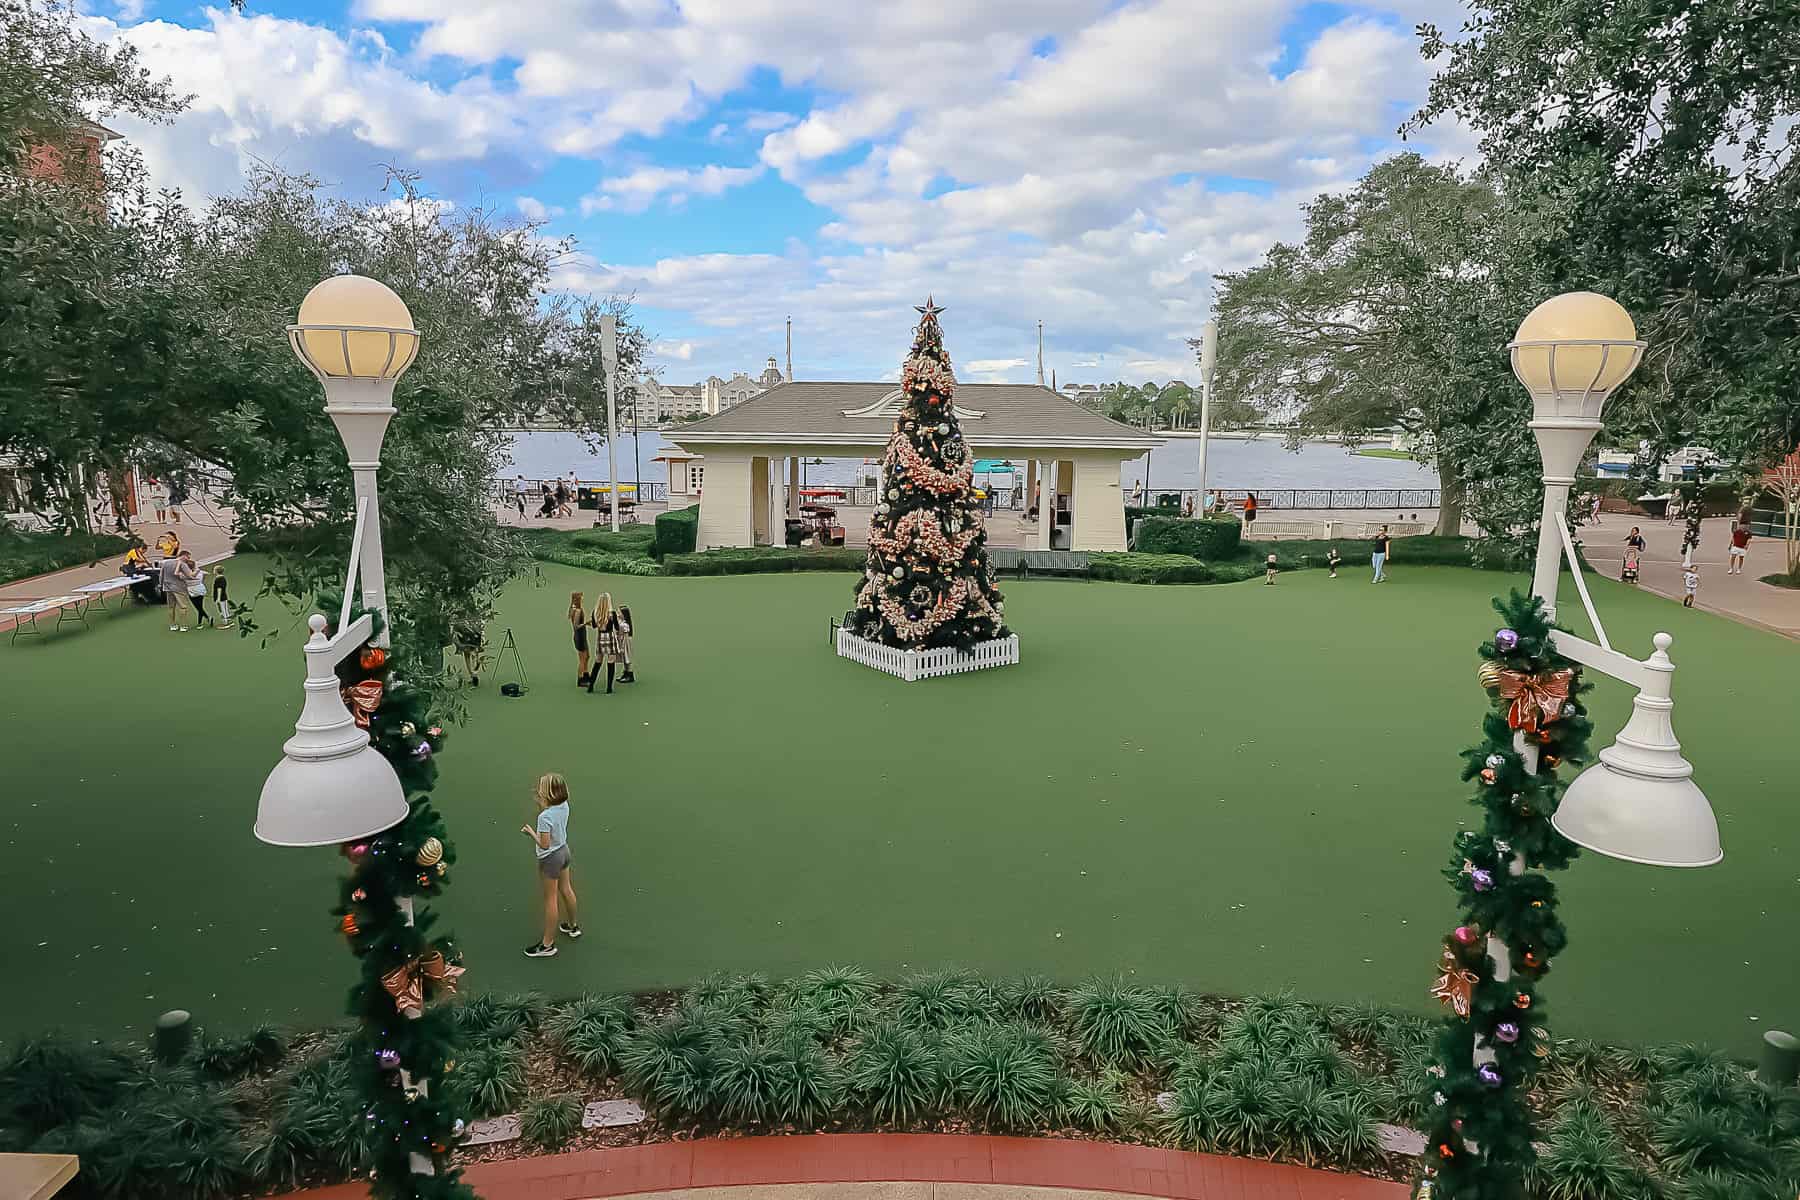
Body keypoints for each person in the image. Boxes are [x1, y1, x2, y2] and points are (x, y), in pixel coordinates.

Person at [520, 772, 580, 958]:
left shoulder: (544, 818)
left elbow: (544, 844)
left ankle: (547, 944)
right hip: (564, 852)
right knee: (567, 889)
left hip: (550, 858)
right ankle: (573, 926)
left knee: (550, 900)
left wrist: (530, 831)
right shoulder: (564, 806)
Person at [586, 593, 624, 694]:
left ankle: (591, 685)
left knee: (598, 662)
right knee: (611, 662)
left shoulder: (595, 612)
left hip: (600, 638)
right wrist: (619, 621)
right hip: (610, 637)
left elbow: (594, 625)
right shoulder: (612, 614)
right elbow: (616, 627)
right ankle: (609, 688)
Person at [160, 551, 189, 631]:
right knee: (183, 606)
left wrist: (160, 584)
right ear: (183, 556)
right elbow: (188, 575)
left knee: (171, 607)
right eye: (188, 557)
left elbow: (161, 575)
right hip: (178, 588)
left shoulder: (165, 563)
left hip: (167, 587)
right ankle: (183, 626)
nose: (188, 559)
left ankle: (172, 625)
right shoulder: (182, 564)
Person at [179, 551, 209, 627]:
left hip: (192, 591)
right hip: (201, 589)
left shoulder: (184, 575)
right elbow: (202, 573)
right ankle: (200, 622)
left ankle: (208, 617)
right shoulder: (199, 573)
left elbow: (178, 575)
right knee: (200, 606)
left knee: (198, 608)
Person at [569, 591, 590, 686]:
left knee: (587, 656)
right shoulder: (578, 611)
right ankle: (580, 679)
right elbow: (576, 626)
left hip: (581, 635)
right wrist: (586, 623)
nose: (582, 599)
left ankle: (586, 674)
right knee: (583, 658)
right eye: (581, 598)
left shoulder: (573, 609)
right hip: (580, 636)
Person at [615, 604, 636, 684]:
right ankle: (626, 673)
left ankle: (629, 674)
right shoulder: (620, 622)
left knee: (627, 658)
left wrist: (623, 646)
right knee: (624, 659)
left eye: (619, 612)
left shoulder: (625, 625)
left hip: (625, 642)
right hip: (622, 641)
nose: (618, 613)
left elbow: (625, 637)